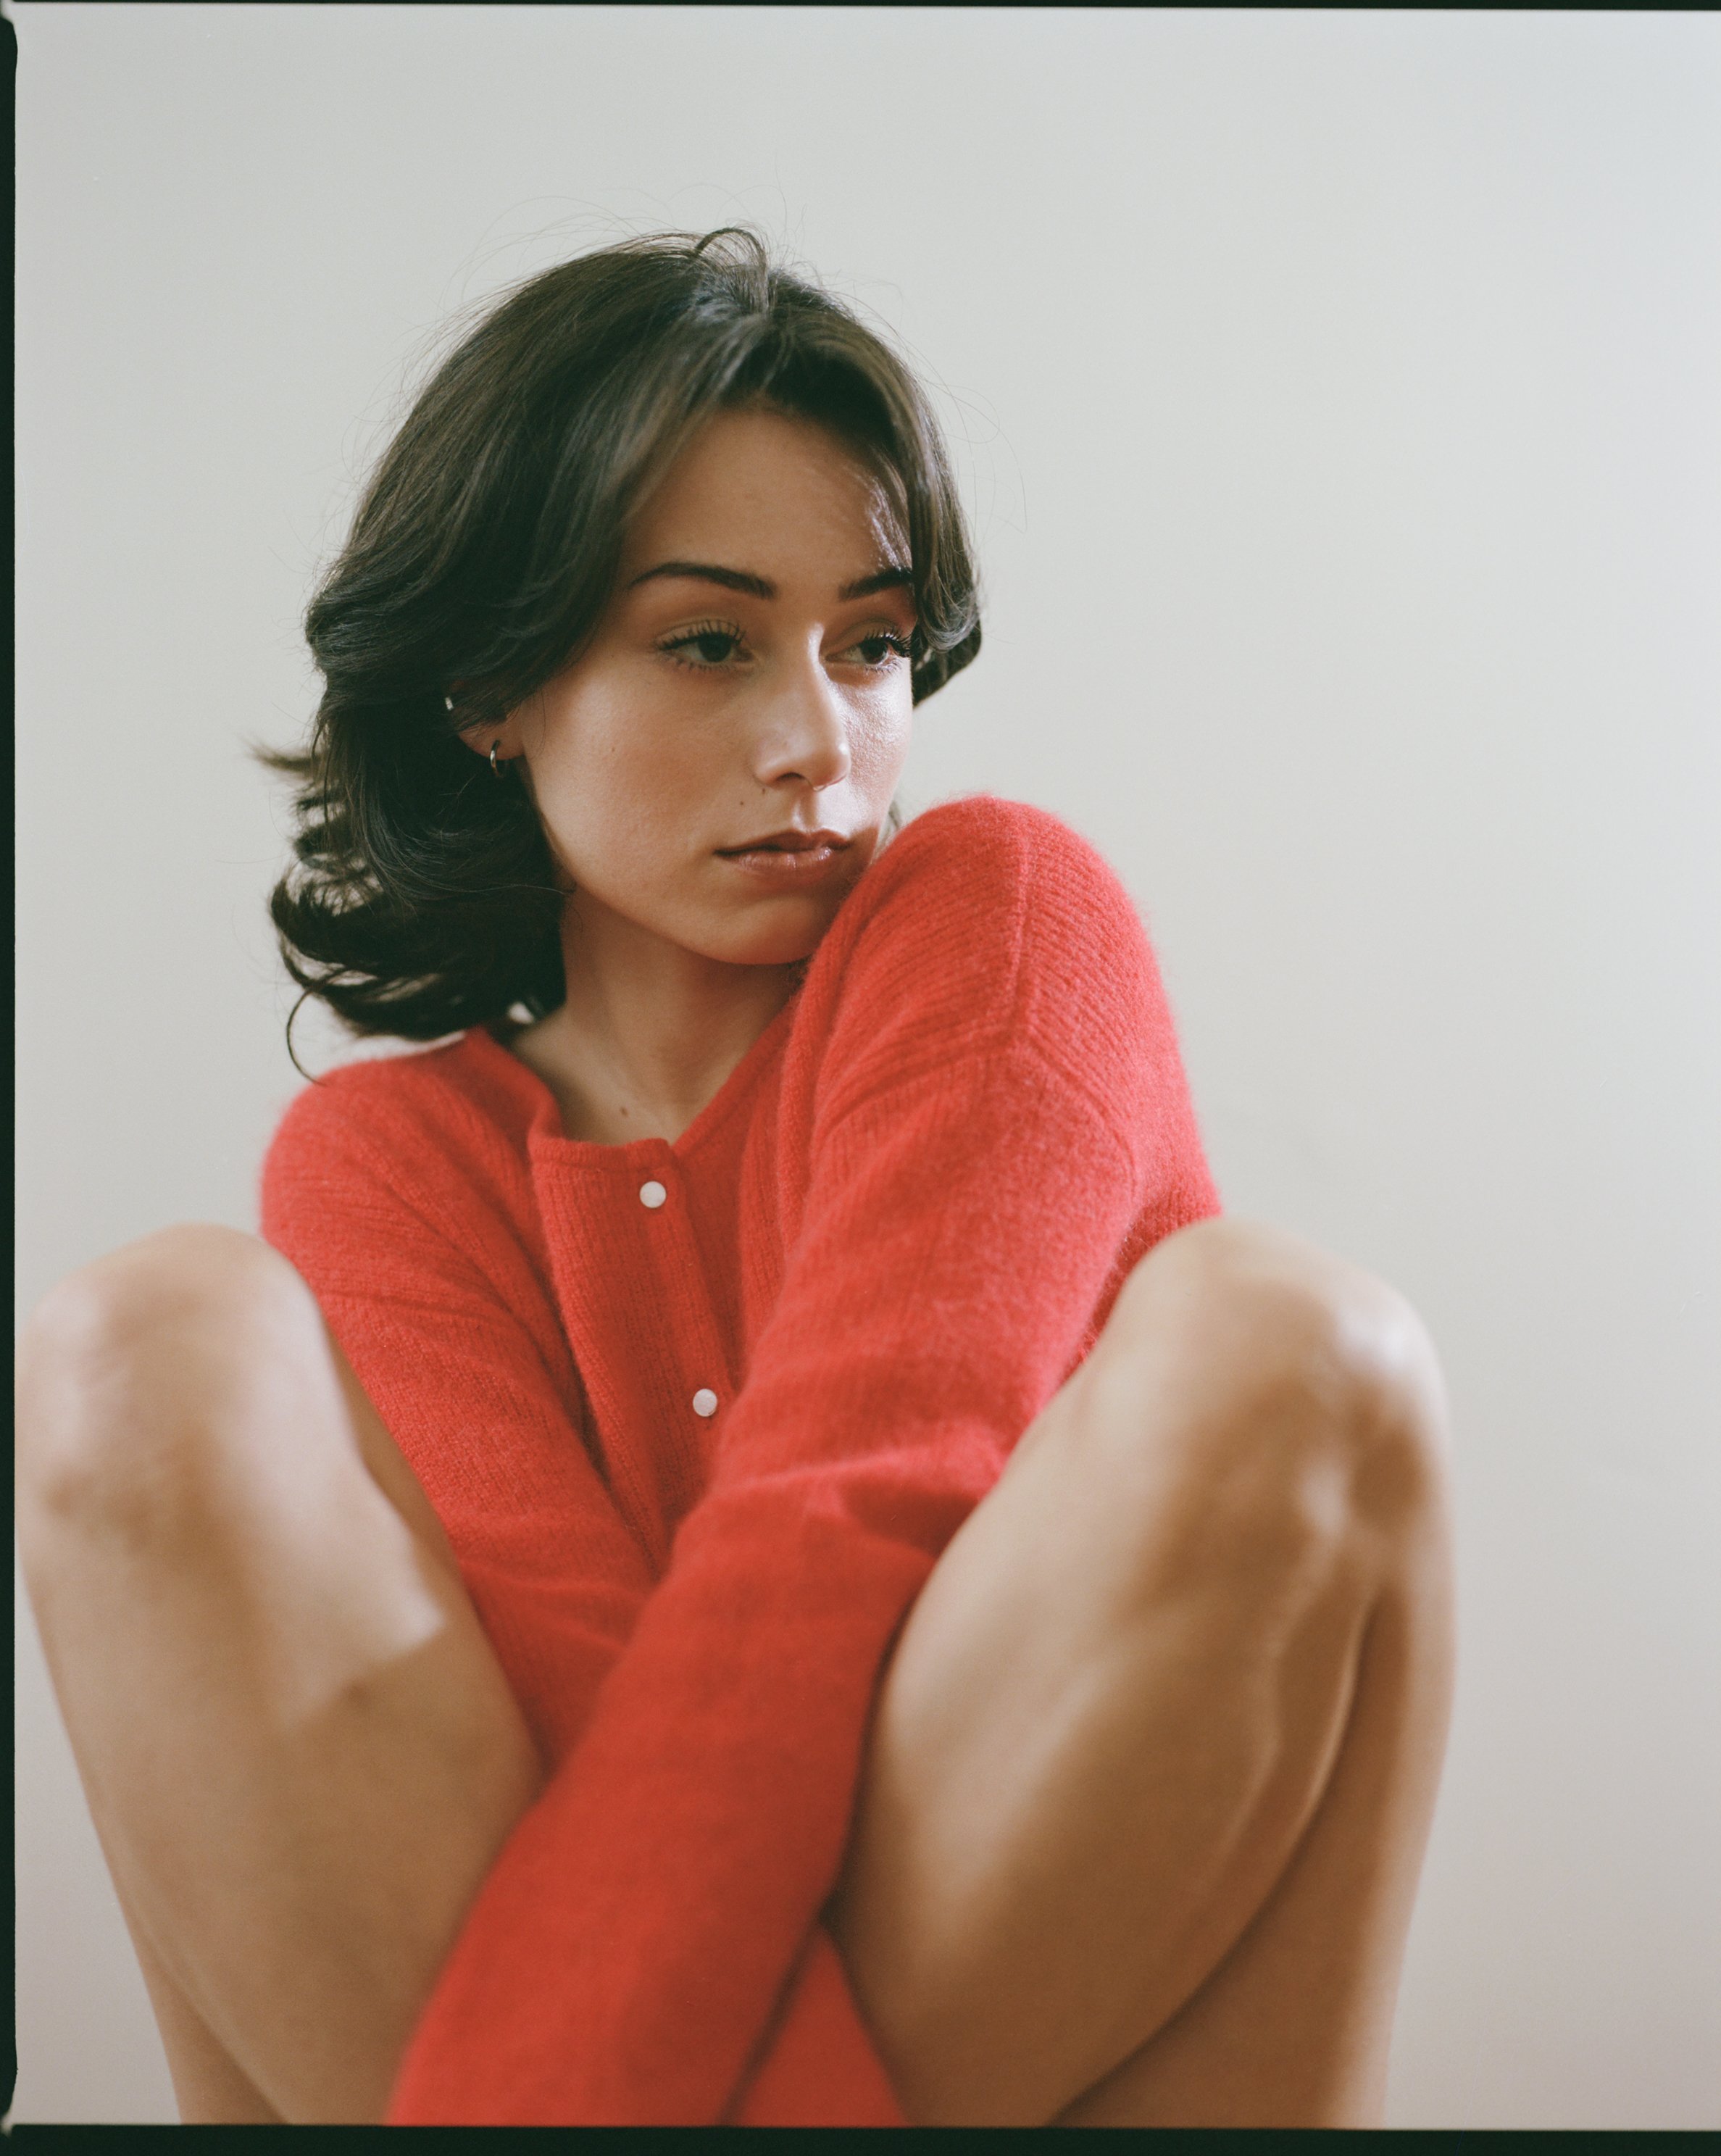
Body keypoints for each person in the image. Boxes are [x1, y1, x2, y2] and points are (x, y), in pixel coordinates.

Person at [15, 229, 1454, 2128]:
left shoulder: (994, 919)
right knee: (140, 1346)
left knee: (1292, 1344)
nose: (821, 747)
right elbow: (565, 1688)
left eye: (871, 645)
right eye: (709, 642)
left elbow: (857, 1507)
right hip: (556, 2007)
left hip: (1053, 2053)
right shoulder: (393, 1162)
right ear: (488, 687)